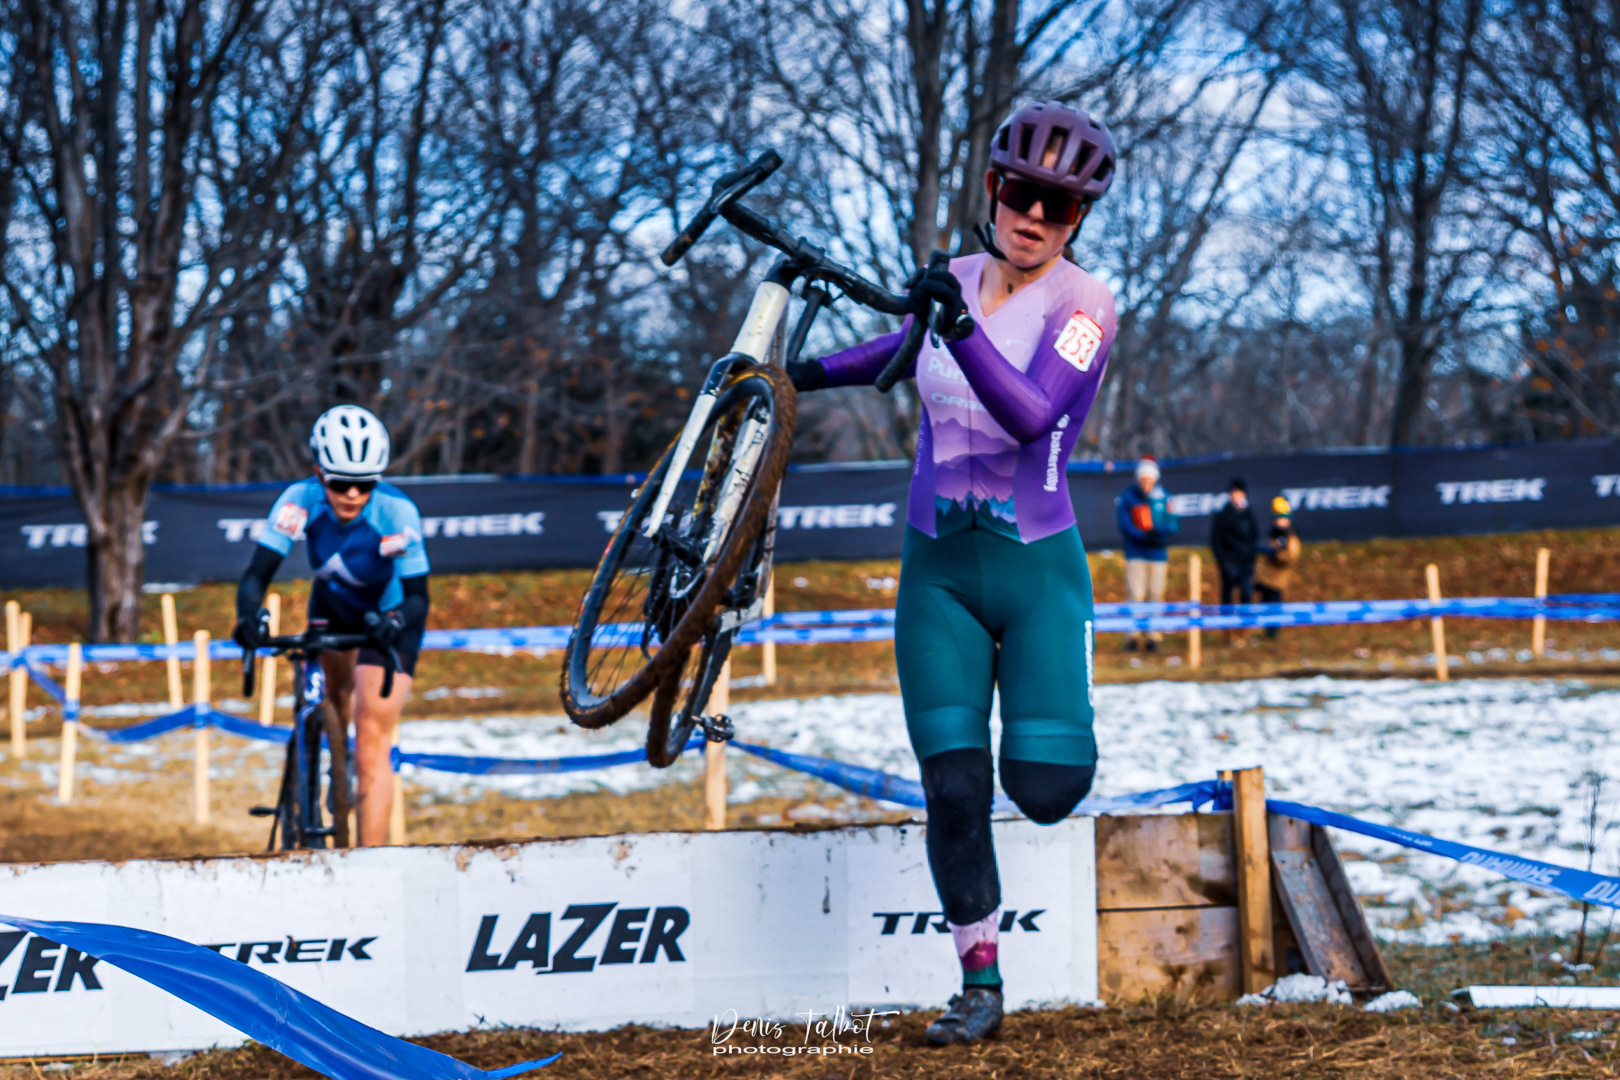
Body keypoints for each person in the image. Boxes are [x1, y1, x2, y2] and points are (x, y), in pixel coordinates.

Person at [786, 100, 1116, 1045]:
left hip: (1036, 569)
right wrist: (804, 374)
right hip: (936, 573)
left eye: (1059, 205)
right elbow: (901, 350)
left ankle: (1045, 739)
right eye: (1021, 193)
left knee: (1045, 790)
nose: (1034, 216)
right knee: (955, 792)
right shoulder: (957, 279)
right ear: (994, 188)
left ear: (1079, 219)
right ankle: (980, 983)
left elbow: (1032, 414)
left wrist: (961, 326)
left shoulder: (1087, 307)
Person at [232, 405, 430, 847]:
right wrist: (248, 617)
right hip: (331, 607)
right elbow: (257, 575)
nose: (353, 494)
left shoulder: (396, 513)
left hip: (389, 614)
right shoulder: (299, 501)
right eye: (341, 483)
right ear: (319, 472)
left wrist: (394, 621)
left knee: (371, 739)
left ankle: (370, 862)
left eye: (366, 483)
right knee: (327, 701)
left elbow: (419, 598)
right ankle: (324, 765)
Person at [1115, 455, 1179, 652]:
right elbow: (1125, 524)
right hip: (1136, 553)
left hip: (1158, 553)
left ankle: (1153, 636)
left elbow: (1172, 522)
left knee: (1156, 594)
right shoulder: (1128, 497)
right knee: (1136, 593)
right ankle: (1132, 636)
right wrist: (1143, 535)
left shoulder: (1163, 496)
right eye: (1143, 479)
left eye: (1149, 479)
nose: (1146, 483)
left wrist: (1158, 534)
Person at [1210, 478, 1259, 642]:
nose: (1236, 497)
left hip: (1246, 562)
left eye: (1239, 493)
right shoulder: (1223, 514)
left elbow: (1254, 536)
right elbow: (1216, 540)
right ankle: (1228, 633)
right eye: (1233, 493)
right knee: (1228, 597)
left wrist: (1251, 557)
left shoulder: (1248, 514)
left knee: (1246, 595)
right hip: (1229, 563)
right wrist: (1223, 561)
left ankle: (1244, 632)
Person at [1254, 496, 1301, 640]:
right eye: (1277, 519)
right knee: (1264, 605)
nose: (1279, 522)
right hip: (1265, 579)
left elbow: (1289, 558)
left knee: (1274, 607)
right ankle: (1263, 632)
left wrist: (1274, 553)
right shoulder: (1274, 536)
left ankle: (1271, 634)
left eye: (1282, 519)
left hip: (1277, 580)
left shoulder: (1290, 538)